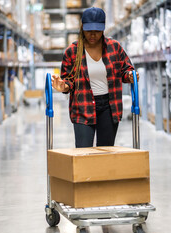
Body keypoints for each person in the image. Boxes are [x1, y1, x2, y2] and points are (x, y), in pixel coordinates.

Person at [51, 7, 139, 148]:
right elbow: (68, 80)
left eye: (97, 31)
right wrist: (63, 86)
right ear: (82, 28)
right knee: (83, 152)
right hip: (83, 106)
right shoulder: (72, 52)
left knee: (105, 152)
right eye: (88, 30)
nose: (93, 35)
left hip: (109, 107)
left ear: (103, 28)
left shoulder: (114, 47)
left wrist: (130, 76)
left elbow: (126, 69)